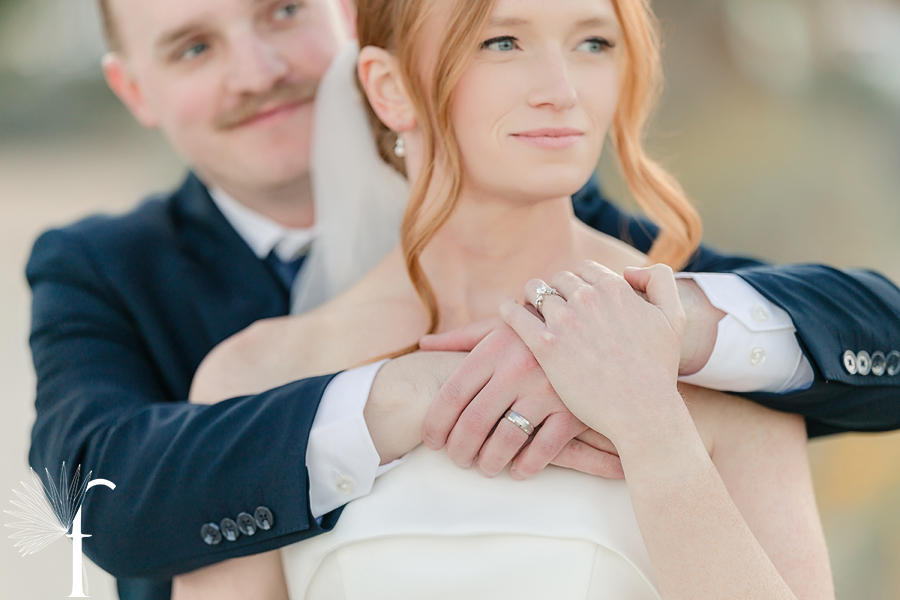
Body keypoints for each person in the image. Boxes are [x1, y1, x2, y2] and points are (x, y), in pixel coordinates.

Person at [24, 0, 899, 598]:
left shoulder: (703, 333)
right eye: (500, 40)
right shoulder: (227, 351)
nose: (558, 85)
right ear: (388, 85)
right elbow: (105, 492)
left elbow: (846, 329)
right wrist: (405, 393)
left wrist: (654, 401)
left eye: (593, 40)